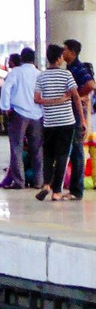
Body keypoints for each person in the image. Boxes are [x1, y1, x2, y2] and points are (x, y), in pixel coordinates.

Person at [35, 44, 83, 202]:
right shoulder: (66, 74)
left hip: (49, 122)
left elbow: (37, 99)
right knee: (62, 156)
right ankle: (56, 192)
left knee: (48, 155)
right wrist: (81, 118)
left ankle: (46, 184)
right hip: (66, 121)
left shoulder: (41, 76)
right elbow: (75, 96)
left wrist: (50, 102)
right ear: (58, 58)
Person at [0, 47, 43, 190]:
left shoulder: (15, 73)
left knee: (16, 148)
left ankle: (19, 181)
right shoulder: (39, 74)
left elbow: (6, 89)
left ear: (21, 58)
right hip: (37, 114)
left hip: (19, 113)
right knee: (37, 149)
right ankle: (39, 181)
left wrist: (5, 107)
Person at [62, 39, 94, 200]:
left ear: (72, 52)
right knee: (74, 150)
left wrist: (78, 96)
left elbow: (90, 84)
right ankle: (74, 188)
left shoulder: (78, 68)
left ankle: (76, 189)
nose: (63, 52)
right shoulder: (69, 68)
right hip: (71, 113)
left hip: (75, 114)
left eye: (65, 49)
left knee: (77, 151)